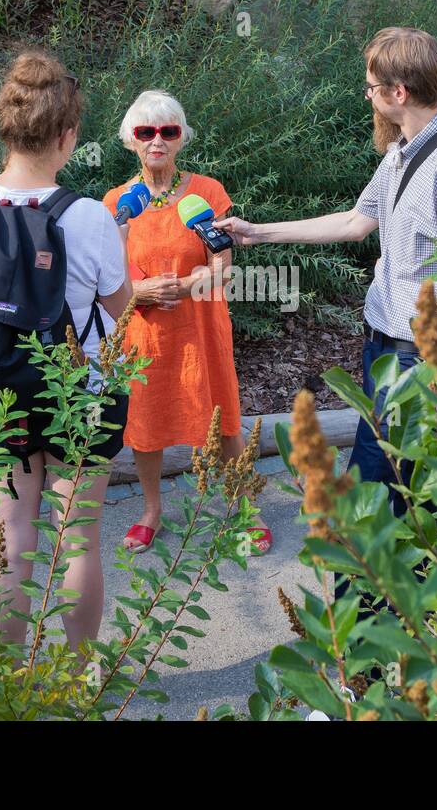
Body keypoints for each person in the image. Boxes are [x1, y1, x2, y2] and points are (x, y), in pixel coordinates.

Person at [215, 26, 437, 511]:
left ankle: (364, 587)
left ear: (399, 92)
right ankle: (411, 581)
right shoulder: (400, 152)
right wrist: (258, 232)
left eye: (371, 87)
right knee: (405, 486)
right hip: (383, 341)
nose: (367, 97)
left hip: (416, 357)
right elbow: (356, 221)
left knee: (373, 494)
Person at [0, 50, 133, 649]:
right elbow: (122, 308)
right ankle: (78, 673)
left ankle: (5, 682)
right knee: (78, 539)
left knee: (8, 539)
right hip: (80, 398)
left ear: (5, 129)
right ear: (66, 137)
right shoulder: (90, 217)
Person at [102, 90, 270, 555]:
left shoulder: (207, 193)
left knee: (224, 418)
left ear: (180, 138)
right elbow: (110, 277)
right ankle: (151, 511)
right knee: (146, 421)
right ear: (130, 141)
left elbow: (224, 268)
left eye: (167, 131)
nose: (157, 141)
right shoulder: (117, 202)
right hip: (145, 331)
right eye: (145, 132)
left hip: (200, 328)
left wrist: (188, 286)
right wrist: (142, 292)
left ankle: (244, 508)